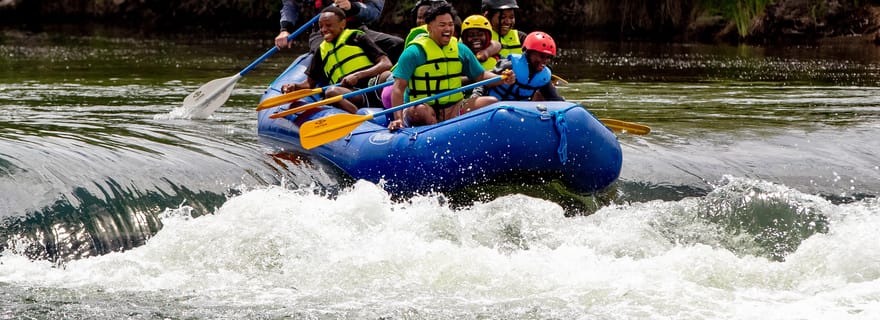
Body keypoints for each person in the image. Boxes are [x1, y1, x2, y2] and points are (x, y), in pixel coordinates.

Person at [387, 2, 514, 130]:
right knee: (420, 111)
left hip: (454, 107)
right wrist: (398, 118)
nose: (448, 29)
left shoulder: (460, 50)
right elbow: (398, 88)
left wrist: (501, 79)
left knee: (491, 102)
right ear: (429, 27)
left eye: (450, 24)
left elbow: (480, 75)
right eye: (442, 25)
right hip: (424, 107)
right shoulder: (414, 52)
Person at [280, 6, 392, 113]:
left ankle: (400, 116)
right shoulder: (321, 51)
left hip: (372, 84)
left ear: (342, 24)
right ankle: (361, 120)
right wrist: (294, 86)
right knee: (331, 92)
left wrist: (358, 75)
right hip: (352, 93)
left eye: (328, 25)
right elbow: (309, 84)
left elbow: (386, 63)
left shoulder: (357, 38)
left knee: (387, 75)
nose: (324, 30)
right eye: (321, 26)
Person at [274, 0, 404, 63]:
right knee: (324, 52)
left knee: (396, 44)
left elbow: (374, 12)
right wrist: (285, 29)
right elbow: (290, 5)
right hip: (324, 31)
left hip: (356, 28)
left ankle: (386, 87)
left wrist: (353, 6)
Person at [481, 31, 564, 102]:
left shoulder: (544, 77)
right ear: (528, 53)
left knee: (541, 97)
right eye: (541, 56)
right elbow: (483, 83)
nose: (545, 61)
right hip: (493, 108)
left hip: (518, 113)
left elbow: (555, 99)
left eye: (548, 57)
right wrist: (476, 98)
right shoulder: (509, 65)